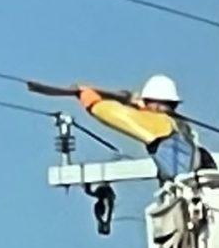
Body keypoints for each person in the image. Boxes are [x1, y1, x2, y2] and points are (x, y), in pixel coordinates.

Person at [75, 73, 208, 181]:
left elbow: (109, 113)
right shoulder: (180, 127)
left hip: (188, 195)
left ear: (153, 104)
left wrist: (87, 97)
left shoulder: (160, 123)